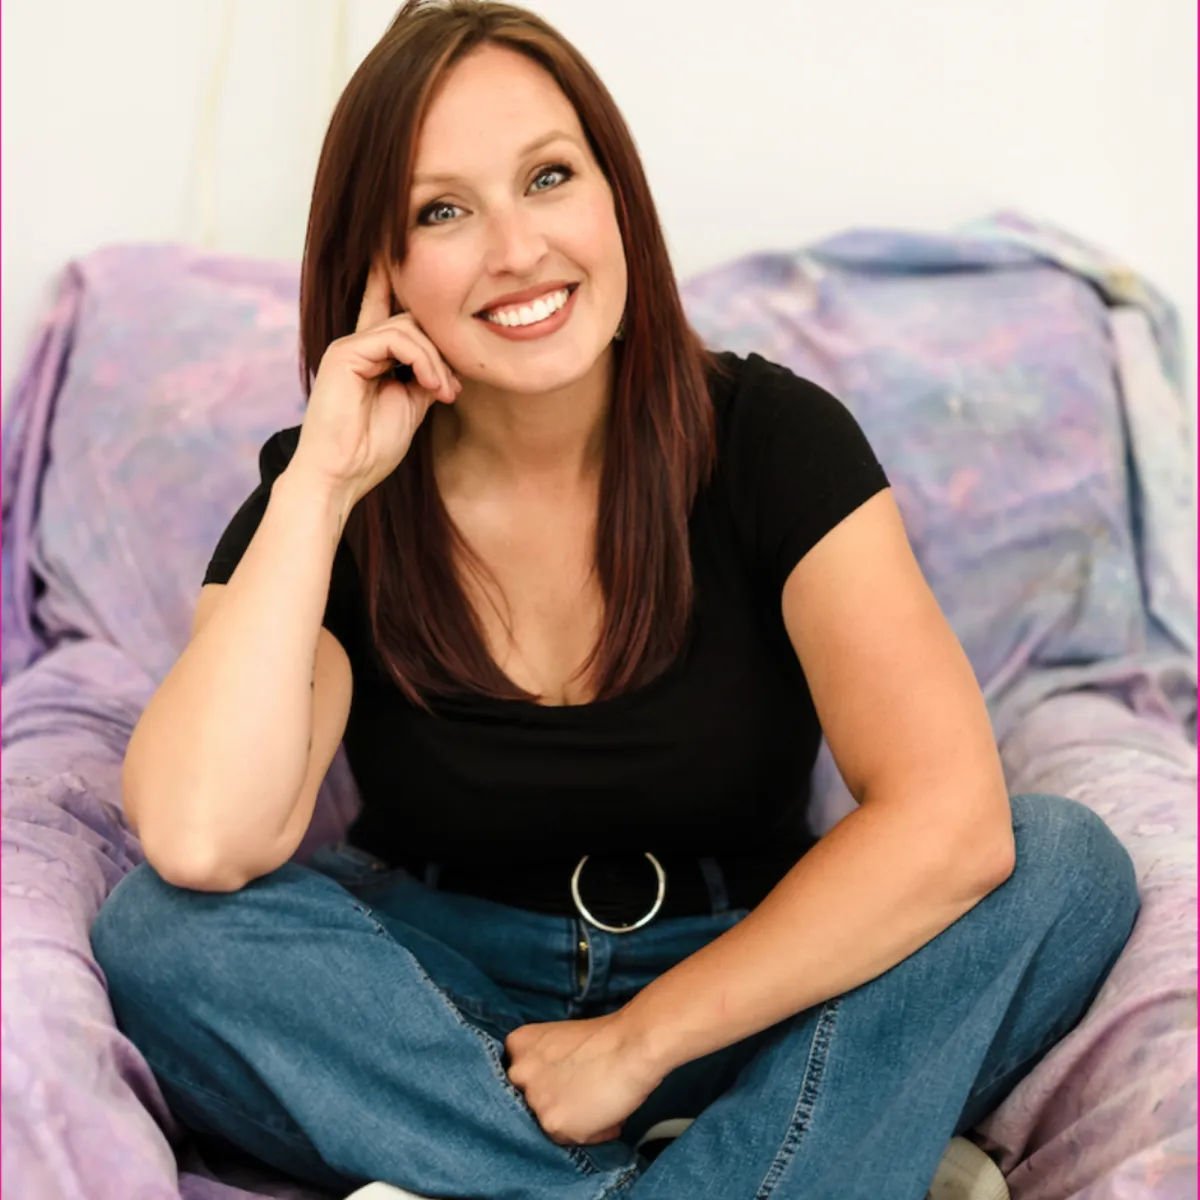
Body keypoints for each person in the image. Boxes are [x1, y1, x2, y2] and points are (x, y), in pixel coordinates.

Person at [89, 2, 1140, 1198]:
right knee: (157, 931)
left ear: (616, 195)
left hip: (760, 988)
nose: (517, 249)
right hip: (452, 1022)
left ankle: (580, 1171)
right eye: (443, 211)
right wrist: (325, 484)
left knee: (1065, 864)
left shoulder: (774, 440)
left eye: (548, 177)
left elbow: (950, 819)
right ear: (381, 270)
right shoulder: (330, 487)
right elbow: (201, 832)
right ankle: (754, 1172)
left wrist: (636, 1045)